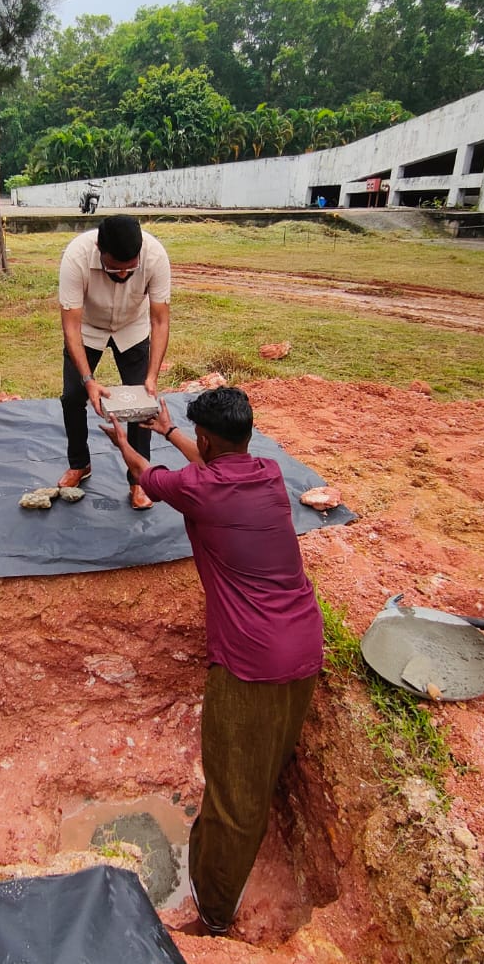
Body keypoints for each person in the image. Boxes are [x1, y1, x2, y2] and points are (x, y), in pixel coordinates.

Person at [101, 386, 324, 933]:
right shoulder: (268, 474)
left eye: (196, 438)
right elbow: (213, 470)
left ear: (205, 437)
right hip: (303, 642)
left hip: (251, 661)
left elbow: (143, 476)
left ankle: (213, 913)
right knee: (260, 771)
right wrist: (170, 431)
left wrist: (124, 443)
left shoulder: (195, 489)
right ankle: (226, 865)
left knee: (231, 798)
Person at [57, 213, 170, 510]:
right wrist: (88, 380)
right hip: (88, 329)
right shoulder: (76, 256)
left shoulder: (155, 255)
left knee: (142, 401)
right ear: (99, 249)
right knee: (72, 397)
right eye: (114, 269)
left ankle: (139, 479)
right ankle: (79, 463)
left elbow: (160, 320)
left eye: (129, 270)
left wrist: (152, 376)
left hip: (133, 327)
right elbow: (70, 326)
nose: (122, 276)